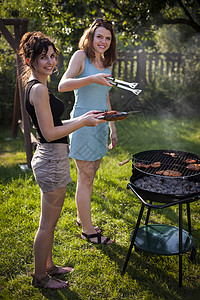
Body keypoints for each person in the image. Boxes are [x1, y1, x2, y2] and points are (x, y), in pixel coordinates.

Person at [18, 31, 106, 289]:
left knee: (50, 222)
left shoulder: (35, 86)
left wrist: (84, 117)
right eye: (43, 56)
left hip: (50, 157)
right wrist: (82, 121)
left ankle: (48, 266)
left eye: (53, 56)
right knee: (47, 225)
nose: (50, 61)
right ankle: (40, 277)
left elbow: (53, 126)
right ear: (29, 59)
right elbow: (50, 134)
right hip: (52, 161)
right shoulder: (39, 91)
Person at [58, 19, 117, 245]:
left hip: (101, 123)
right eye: (99, 36)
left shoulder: (107, 61)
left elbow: (106, 96)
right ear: (91, 37)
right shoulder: (80, 56)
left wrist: (112, 125)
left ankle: (82, 218)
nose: (103, 41)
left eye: (108, 38)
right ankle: (88, 231)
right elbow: (63, 85)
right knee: (86, 177)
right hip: (83, 122)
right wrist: (91, 78)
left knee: (91, 173)